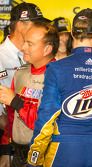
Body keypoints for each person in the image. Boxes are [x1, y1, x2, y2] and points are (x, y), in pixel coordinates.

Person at [27, 8, 92, 167]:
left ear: (71, 32)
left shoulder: (57, 69)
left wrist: (33, 158)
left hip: (63, 151)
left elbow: (46, 118)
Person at [0, 21, 58, 167]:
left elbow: (46, 123)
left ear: (47, 49)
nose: (23, 47)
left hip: (44, 155)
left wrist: (16, 101)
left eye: (30, 44)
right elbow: (11, 118)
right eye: (24, 42)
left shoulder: (59, 76)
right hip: (18, 153)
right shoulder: (20, 72)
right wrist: (6, 149)